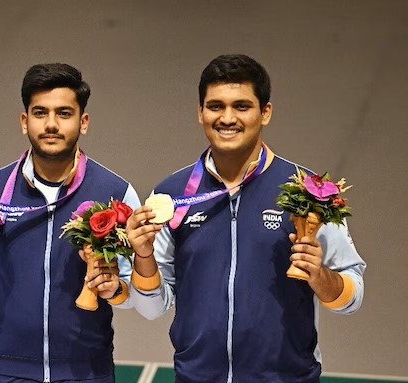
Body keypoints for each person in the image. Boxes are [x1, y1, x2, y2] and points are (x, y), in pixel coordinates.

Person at [126, 54, 366, 383]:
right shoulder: (172, 195)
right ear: (200, 112)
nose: (227, 118)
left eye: (241, 106)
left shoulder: (310, 192)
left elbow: (353, 298)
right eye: (215, 106)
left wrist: (320, 277)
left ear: (265, 112)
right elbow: (152, 308)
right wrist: (142, 256)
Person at [0, 63, 140, 383]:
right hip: (8, 368)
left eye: (64, 113)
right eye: (40, 113)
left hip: (86, 370)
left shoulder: (116, 192)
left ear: (83, 122)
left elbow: (135, 294)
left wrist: (114, 288)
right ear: (24, 121)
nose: (51, 124)